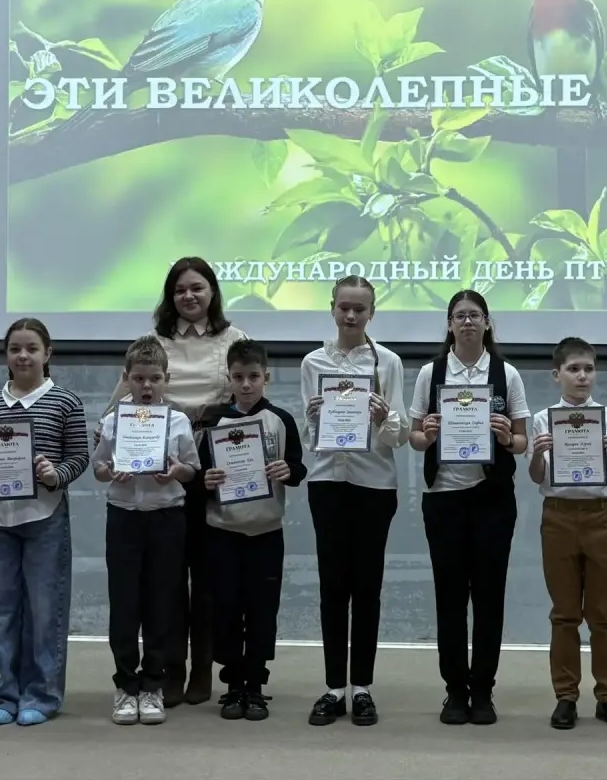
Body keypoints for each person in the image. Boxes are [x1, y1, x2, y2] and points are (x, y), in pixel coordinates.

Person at [103, 256, 248, 707]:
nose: (189, 296)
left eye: (197, 288)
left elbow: (247, 400)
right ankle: (169, 669)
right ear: (170, 295)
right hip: (156, 470)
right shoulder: (153, 343)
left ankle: (202, 668)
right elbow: (117, 408)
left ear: (212, 292)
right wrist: (118, 446)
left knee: (206, 576)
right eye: (180, 289)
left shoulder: (234, 339)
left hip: (215, 464)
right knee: (164, 581)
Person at [409, 290, 530, 726]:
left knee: (489, 597)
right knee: (450, 598)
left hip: (491, 498)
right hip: (444, 498)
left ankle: (483, 690)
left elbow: (522, 441)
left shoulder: (506, 373)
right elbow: (414, 437)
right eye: (459, 316)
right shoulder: (431, 373)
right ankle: (455, 690)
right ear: (449, 324)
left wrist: (506, 438)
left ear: (487, 322)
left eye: (474, 315)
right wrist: (427, 433)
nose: (466, 322)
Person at [0, 318, 90, 726]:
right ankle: (6, 693)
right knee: (2, 610)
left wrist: (55, 474)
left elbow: (79, 457)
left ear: (47, 354)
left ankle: (42, 695)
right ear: (6, 355)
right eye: (15, 348)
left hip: (45, 517)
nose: (23, 356)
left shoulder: (65, 402)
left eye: (31, 348)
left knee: (45, 610)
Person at [300, 275, 409, 727]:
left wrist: (384, 417)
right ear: (332, 308)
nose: (350, 315)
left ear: (371, 313)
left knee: (367, 588)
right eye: (344, 307)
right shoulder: (313, 362)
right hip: (327, 483)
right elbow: (310, 439)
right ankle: (333, 688)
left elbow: (399, 436)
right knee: (332, 588)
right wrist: (314, 419)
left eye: (359, 309)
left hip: (374, 486)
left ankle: (361, 687)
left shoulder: (388, 362)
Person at [527, 337, 607, 731]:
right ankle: (566, 697)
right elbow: (536, 476)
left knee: (604, 615)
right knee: (564, 614)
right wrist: (537, 454)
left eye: (588, 369)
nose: (582, 376)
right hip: (558, 516)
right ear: (556, 375)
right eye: (573, 369)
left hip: (600, 516)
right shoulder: (543, 420)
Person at [92, 335, 201, 726]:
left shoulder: (179, 422)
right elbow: (99, 467)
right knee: (124, 604)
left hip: (166, 518)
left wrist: (176, 471)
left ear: (166, 380)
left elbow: (191, 469)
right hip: (124, 517)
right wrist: (109, 471)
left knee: (161, 603)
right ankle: (126, 685)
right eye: (139, 378)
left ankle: (153, 683)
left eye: (155, 378)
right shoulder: (112, 421)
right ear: (127, 379)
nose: (147, 386)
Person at [196, 339, 305, 721]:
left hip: (266, 532)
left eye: (253, 377)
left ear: (266, 378)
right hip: (222, 532)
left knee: (262, 612)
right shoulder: (214, 422)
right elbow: (198, 476)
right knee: (226, 609)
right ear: (229, 378)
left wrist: (288, 471)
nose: (246, 384)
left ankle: (255, 685)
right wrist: (205, 480)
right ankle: (232, 686)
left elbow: (298, 468)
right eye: (239, 377)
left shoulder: (281, 420)